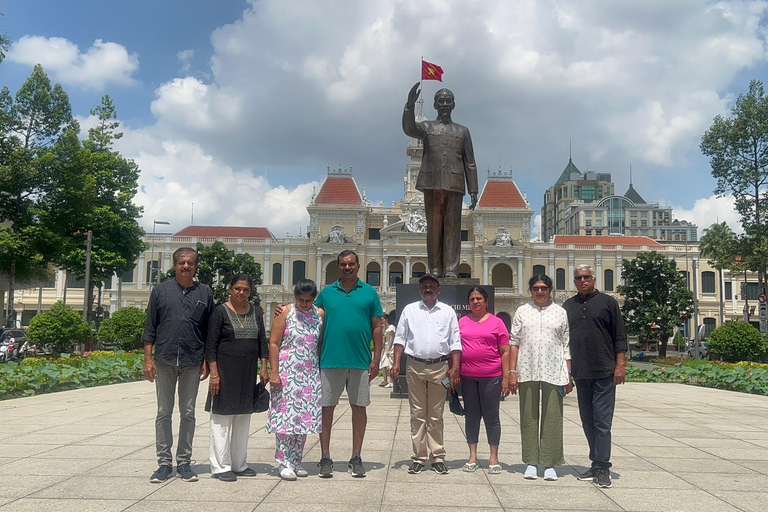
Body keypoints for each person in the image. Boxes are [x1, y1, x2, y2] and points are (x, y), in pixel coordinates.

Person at [143, 247, 215, 483]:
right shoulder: (161, 291)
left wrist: (207, 359)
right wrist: (147, 358)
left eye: (191, 263)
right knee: (163, 412)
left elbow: (209, 330)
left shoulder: (205, 292)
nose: (186, 266)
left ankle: (184, 462)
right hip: (164, 359)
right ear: (174, 265)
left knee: (188, 413)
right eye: (182, 262)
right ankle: (164, 464)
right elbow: (150, 327)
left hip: (192, 360)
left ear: (196, 266)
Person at [314, 250, 383, 478]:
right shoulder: (326, 293)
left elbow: (376, 328)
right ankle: (325, 456)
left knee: (359, 408)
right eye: (343, 264)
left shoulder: (370, 293)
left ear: (358, 266)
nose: (347, 268)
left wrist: (376, 358)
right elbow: (309, 316)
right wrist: (285, 310)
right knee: (326, 409)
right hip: (330, 360)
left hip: (360, 361)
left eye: (351, 264)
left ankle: (356, 456)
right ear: (338, 266)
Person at [402, 83, 478, 277]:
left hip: (455, 184)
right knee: (434, 227)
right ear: (435, 105)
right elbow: (409, 128)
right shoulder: (427, 127)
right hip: (432, 183)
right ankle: (435, 268)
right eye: (441, 101)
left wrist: (474, 190)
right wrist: (409, 106)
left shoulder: (462, 131)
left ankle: (452, 269)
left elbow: (470, 162)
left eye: (448, 101)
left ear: (453, 105)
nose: (444, 104)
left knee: (453, 228)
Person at [563, 264, 627, 488]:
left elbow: (619, 336)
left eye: (587, 277)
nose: (583, 281)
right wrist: (567, 373)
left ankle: (602, 467)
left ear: (594, 279)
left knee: (602, 421)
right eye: (579, 278)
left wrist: (620, 365)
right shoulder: (568, 305)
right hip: (581, 372)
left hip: (604, 370)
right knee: (587, 420)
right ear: (574, 281)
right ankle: (596, 462)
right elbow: (564, 342)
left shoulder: (608, 303)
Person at [390, 274, 461, 475]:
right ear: (420, 290)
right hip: (415, 366)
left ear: (438, 290)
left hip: (440, 367)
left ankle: (437, 456)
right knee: (418, 413)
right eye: (424, 286)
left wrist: (455, 368)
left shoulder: (447, 312)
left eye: (432, 286)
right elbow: (400, 339)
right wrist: (396, 364)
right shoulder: (410, 310)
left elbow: (455, 342)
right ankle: (419, 458)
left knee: (436, 414)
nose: (428, 289)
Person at [205, 274, 268, 482]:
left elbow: (262, 342)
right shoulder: (220, 312)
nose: (241, 293)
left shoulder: (257, 312)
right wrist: (214, 374)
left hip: (247, 373)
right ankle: (220, 466)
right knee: (221, 419)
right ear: (230, 289)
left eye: (246, 290)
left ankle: (239, 464)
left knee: (243, 418)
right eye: (237, 288)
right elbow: (211, 345)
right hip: (224, 373)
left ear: (251, 292)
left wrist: (264, 367)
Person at [508, 275, 571, 482]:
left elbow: (566, 345)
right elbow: (514, 343)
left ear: (550, 290)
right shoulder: (523, 311)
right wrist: (512, 372)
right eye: (536, 288)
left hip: (554, 369)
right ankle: (531, 462)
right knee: (528, 416)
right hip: (527, 368)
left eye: (544, 288)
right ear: (530, 290)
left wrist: (568, 376)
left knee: (553, 416)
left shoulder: (560, 313)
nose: (540, 291)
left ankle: (550, 462)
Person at [267, 279, 324, 481]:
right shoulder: (285, 312)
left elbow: (319, 344)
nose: (304, 303)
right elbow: (274, 343)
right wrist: (274, 372)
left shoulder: (319, 314)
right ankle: (284, 462)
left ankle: (297, 461)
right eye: (300, 299)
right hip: (287, 372)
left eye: (308, 300)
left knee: (303, 419)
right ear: (295, 297)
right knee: (285, 419)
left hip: (308, 374)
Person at [458, 286, 510, 475]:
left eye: (479, 298)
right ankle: (472, 456)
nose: (475, 302)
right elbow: (455, 348)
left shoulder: (497, 323)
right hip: (468, 376)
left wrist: (506, 377)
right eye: (472, 299)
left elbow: (505, 351)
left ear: (486, 302)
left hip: (491, 376)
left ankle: (493, 457)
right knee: (471, 416)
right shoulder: (462, 322)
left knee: (491, 416)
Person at [379, 313, 396, 388]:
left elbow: (391, 339)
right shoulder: (384, 328)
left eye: (382, 319)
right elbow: (384, 338)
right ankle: (385, 380)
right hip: (385, 346)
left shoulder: (391, 327)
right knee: (383, 364)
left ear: (386, 319)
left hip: (390, 347)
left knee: (390, 364)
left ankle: (391, 382)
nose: (381, 320)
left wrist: (388, 349)